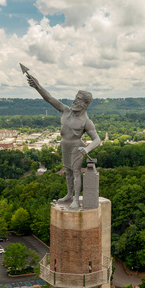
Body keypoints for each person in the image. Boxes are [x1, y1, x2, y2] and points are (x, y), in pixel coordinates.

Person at [27, 74, 101, 209]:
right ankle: (69, 194)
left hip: (76, 147)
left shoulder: (86, 121)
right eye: (75, 98)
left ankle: (76, 200)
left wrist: (87, 149)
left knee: (76, 172)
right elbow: (49, 98)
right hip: (64, 145)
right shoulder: (65, 110)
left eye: (79, 100)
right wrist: (37, 86)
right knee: (68, 171)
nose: (75, 101)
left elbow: (97, 139)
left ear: (85, 104)